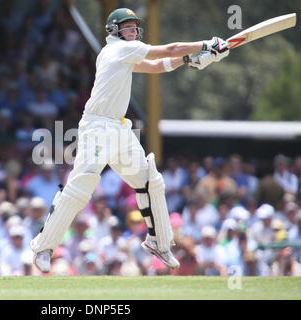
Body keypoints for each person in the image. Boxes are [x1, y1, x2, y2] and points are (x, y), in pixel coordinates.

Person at [30, 7, 230, 273]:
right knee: (81, 186)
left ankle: (159, 242)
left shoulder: (125, 53)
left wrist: (190, 60)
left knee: (150, 181)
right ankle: (43, 246)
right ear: (113, 30)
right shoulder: (116, 49)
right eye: (127, 26)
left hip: (119, 127)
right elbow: (170, 49)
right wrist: (206, 44)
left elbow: (159, 65)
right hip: (96, 124)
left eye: (134, 26)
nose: (133, 30)